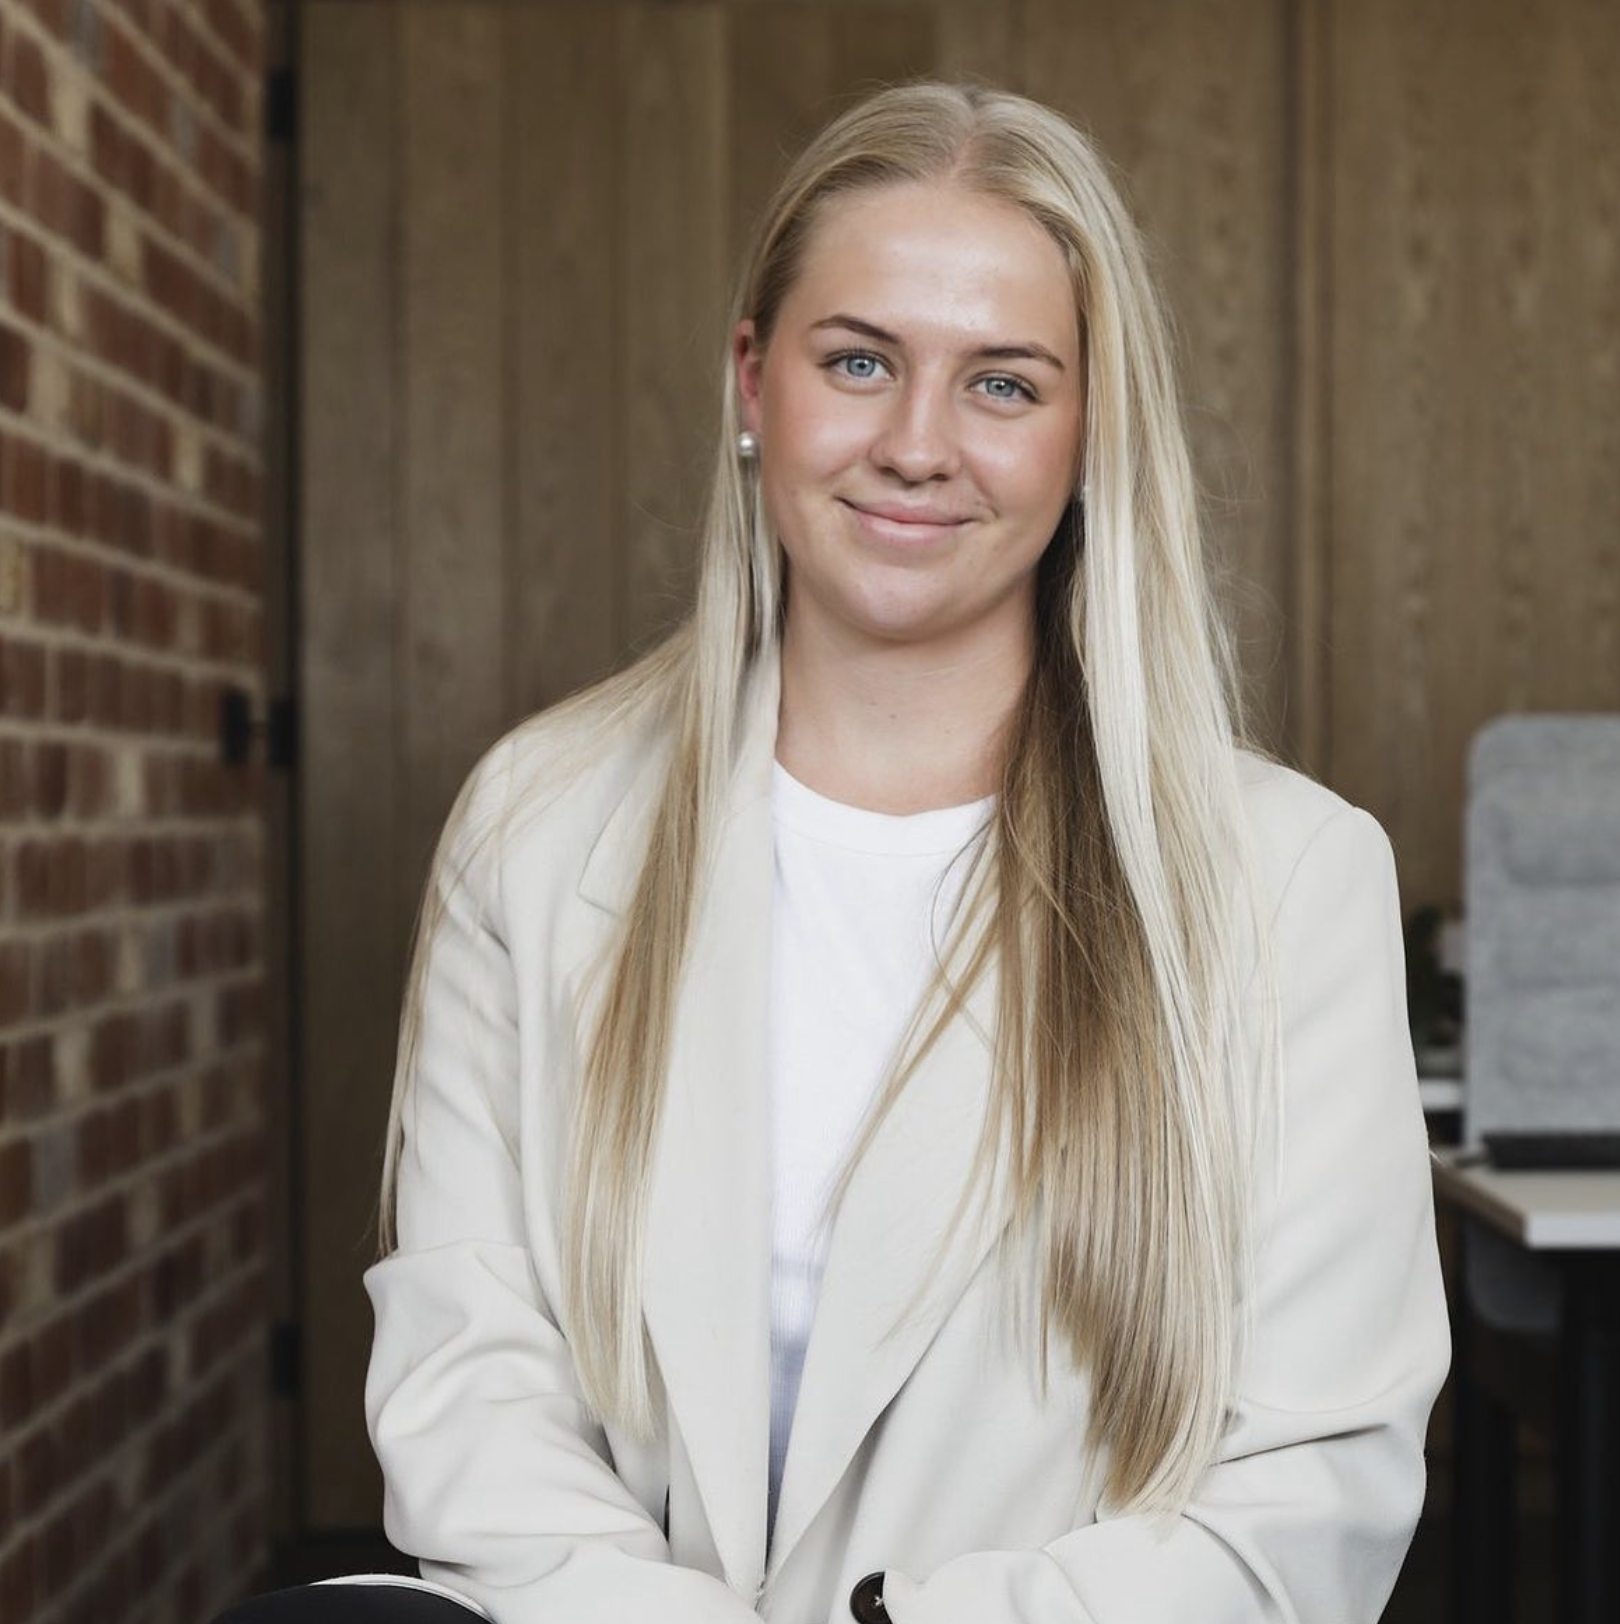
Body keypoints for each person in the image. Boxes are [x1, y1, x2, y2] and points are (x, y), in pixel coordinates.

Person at [220, 81, 1447, 1624]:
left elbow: (1304, 1493)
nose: (918, 445)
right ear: (752, 383)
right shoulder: (535, 825)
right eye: (859, 362)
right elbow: (472, 1389)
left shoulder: (1288, 883)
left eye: (1003, 385)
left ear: (1091, 431)